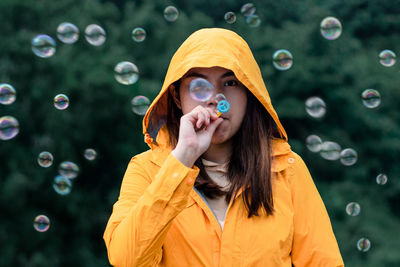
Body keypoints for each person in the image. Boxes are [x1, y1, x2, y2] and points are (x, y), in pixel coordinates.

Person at [103, 28, 344, 267]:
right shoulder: (146, 169)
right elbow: (126, 259)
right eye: (198, 85)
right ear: (177, 97)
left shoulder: (287, 170)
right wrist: (182, 158)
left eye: (230, 82)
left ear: (250, 93)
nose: (214, 98)